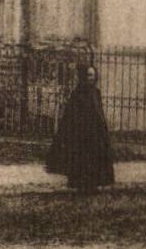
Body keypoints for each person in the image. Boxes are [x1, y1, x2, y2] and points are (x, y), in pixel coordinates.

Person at [44, 63, 115, 193]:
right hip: (82, 133)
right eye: (88, 75)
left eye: (93, 75)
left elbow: (99, 112)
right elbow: (72, 115)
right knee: (83, 159)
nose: (91, 78)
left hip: (95, 133)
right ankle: (81, 184)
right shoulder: (77, 93)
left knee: (95, 159)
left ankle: (92, 184)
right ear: (83, 76)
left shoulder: (96, 92)